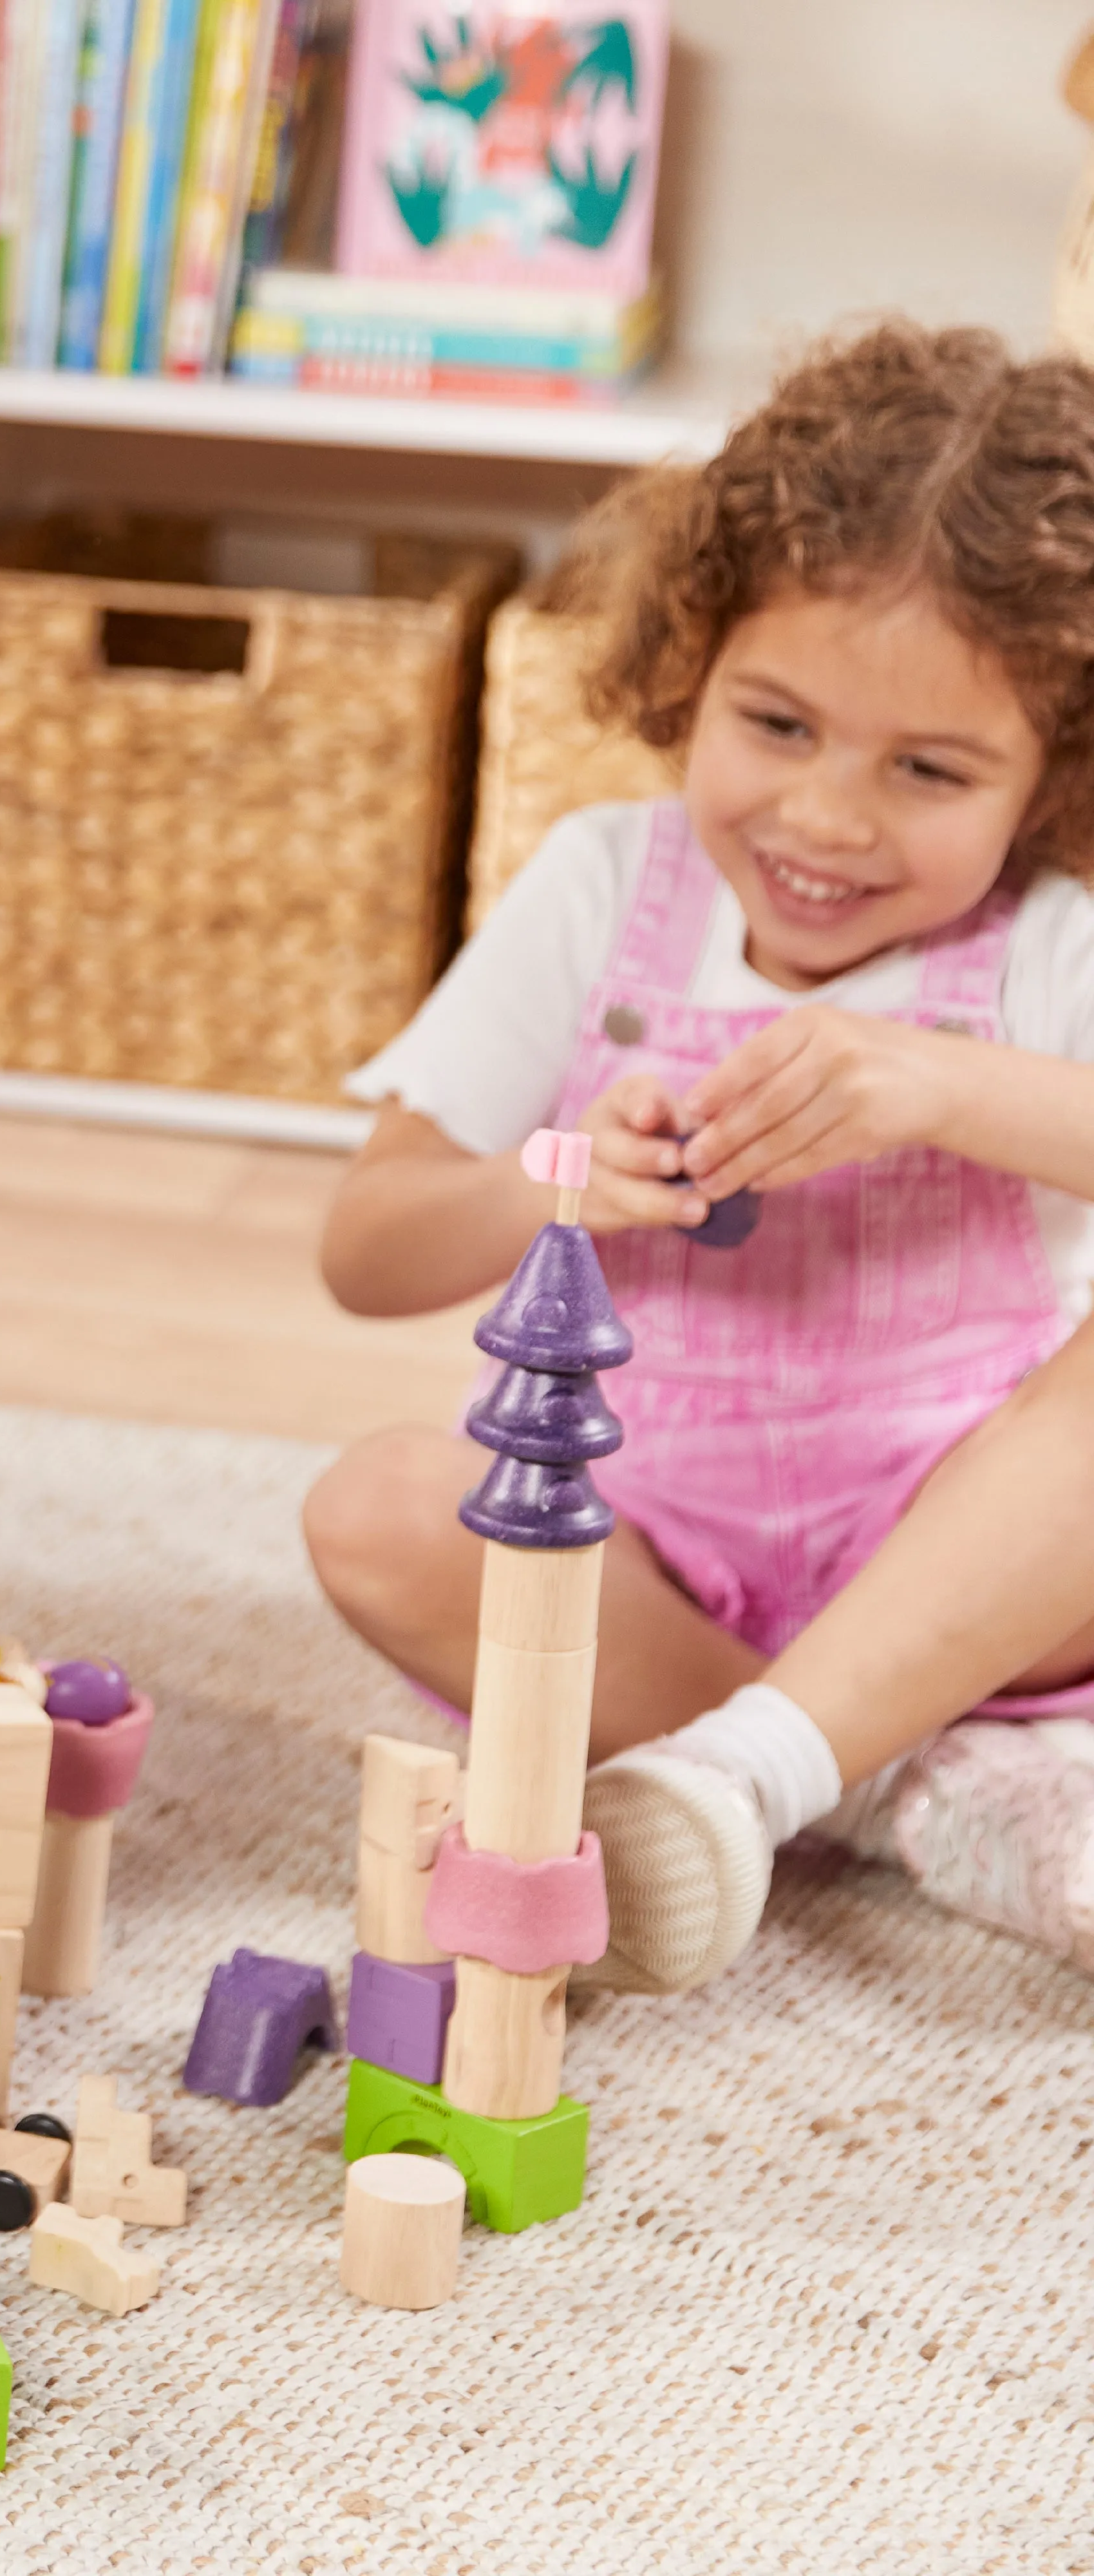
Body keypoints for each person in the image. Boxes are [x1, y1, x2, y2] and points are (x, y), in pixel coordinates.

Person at [303, 321, 1094, 1994]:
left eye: (930, 770)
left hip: (976, 1554)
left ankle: (754, 1773)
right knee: (378, 1509)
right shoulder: (605, 885)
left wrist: (945, 1084)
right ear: (692, 662)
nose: (825, 818)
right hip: (647, 1544)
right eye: (780, 724)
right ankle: (875, 1774)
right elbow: (368, 1248)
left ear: (1049, 781)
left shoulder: (1048, 947)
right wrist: (557, 1175)